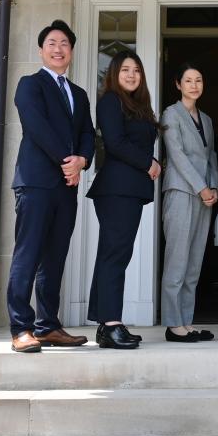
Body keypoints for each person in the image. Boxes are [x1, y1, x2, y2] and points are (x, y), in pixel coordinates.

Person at [7, 19, 94, 353]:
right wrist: (67, 162)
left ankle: (48, 326)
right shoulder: (30, 85)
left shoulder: (80, 94)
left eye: (65, 44)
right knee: (27, 254)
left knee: (55, 257)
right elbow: (36, 127)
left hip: (66, 187)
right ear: (42, 49)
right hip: (37, 182)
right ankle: (21, 328)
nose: (59, 49)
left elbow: (88, 132)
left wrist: (82, 161)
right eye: (52, 43)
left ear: (71, 51)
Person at [87, 50, 161, 349]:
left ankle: (110, 322)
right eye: (125, 70)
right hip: (116, 189)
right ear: (114, 74)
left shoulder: (139, 107)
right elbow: (115, 143)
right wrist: (149, 163)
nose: (132, 75)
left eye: (137, 70)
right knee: (114, 254)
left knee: (118, 254)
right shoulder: (110, 101)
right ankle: (109, 324)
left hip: (129, 191)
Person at [160, 63, 218, 343]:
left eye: (198, 80)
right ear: (178, 84)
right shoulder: (170, 114)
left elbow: (212, 157)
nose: (194, 85)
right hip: (182, 192)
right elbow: (177, 155)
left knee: (194, 262)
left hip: (205, 196)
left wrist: (215, 187)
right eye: (188, 80)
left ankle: (187, 321)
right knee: (177, 260)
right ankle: (173, 325)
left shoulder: (206, 119)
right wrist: (201, 188)